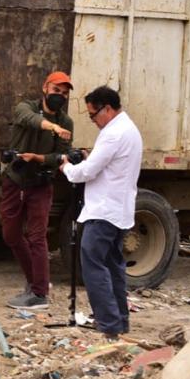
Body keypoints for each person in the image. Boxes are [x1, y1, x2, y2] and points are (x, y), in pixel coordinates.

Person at [62, 86, 142, 341]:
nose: (93, 121)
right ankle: (119, 320)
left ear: (107, 108)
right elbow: (106, 164)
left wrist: (67, 168)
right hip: (119, 210)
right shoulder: (128, 129)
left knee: (93, 265)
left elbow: (86, 172)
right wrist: (90, 158)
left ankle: (108, 325)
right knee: (113, 266)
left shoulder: (112, 134)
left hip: (104, 211)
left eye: (93, 115)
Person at [0, 71, 74, 310]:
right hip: (14, 179)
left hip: (41, 184)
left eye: (64, 93)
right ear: (45, 88)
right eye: (56, 91)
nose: (59, 96)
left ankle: (39, 292)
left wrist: (38, 158)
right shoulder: (26, 107)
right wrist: (51, 126)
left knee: (37, 237)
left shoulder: (67, 123)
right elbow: (28, 119)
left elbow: (60, 156)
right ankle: (34, 282)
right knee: (11, 235)